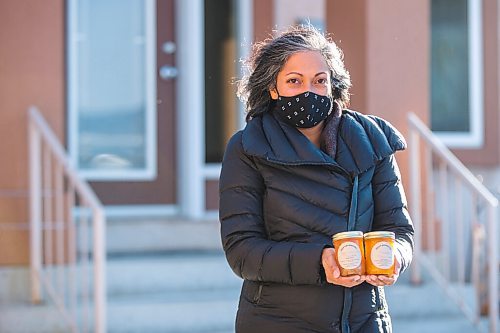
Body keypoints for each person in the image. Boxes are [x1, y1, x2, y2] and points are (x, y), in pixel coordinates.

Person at [219, 25, 414, 333]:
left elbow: (399, 231)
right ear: (273, 88)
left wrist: (395, 259)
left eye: (319, 81)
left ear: (332, 85)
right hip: (277, 321)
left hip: (364, 320)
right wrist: (320, 261)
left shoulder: (373, 141)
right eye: (294, 81)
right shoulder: (248, 148)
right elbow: (242, 251)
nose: (308, 91)